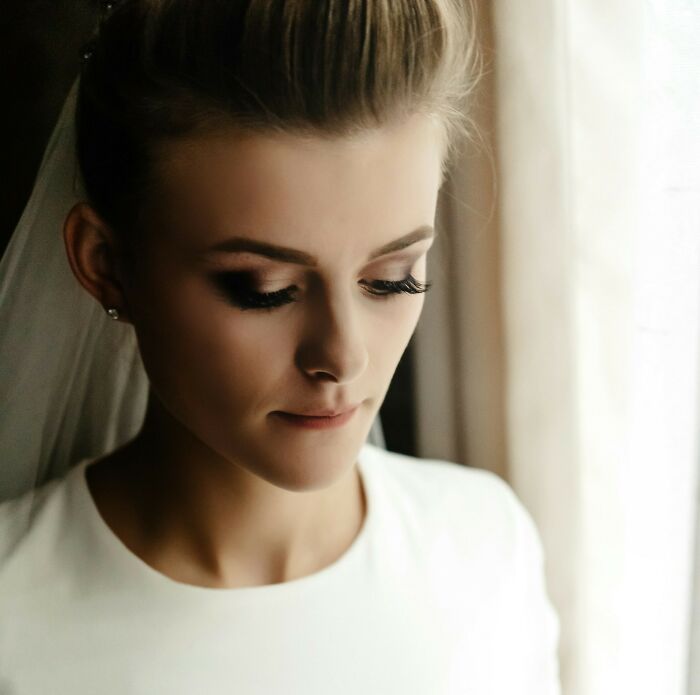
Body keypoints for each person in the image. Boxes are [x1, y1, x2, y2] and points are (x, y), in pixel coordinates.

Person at [0, 0, 561, 692]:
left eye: (391, 280)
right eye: (263, 288)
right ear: (106, 263)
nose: (343, 356)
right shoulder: (14, 618)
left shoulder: (487, 552)